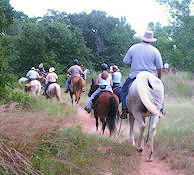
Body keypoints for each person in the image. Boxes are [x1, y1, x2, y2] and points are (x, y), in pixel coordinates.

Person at [120, 30, 164, 119]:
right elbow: (159, 68)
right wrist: (159, 79)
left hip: (135, 75)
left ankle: (124, 109)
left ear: (143, 38)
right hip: (150, 77)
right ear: (151, 40)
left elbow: (126, 61)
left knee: (123, 90)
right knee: (160, 90)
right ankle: (161, 108)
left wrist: (133, 65)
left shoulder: (133, 48)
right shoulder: (155, 51)